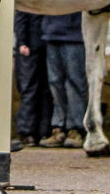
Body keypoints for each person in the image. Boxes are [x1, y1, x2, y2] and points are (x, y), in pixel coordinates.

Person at [39, 11, 88, 148]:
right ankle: (58, 128)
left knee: (74, 83)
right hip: (51, 34)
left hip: (75, 35)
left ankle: (76, 129)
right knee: (55, 83)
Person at [13, 9, 53, 147]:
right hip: (30, 47)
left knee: (45, 90)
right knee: (30, 89)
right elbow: (21, 18)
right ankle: (27, 131)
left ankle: (43, 130)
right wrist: (22, 42)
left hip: (44, 44)